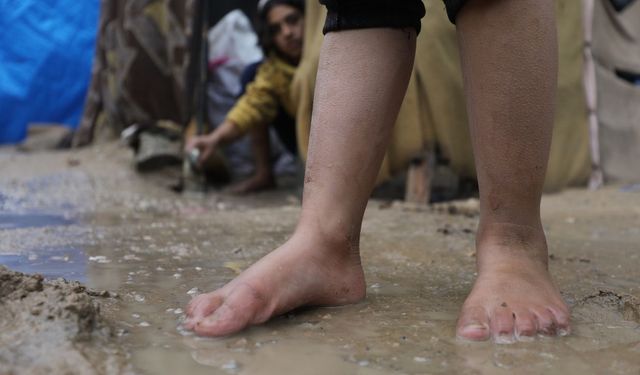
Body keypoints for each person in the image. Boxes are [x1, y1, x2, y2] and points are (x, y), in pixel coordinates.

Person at [184, 0, 571, 343]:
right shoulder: (268, 71)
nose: (287, 32)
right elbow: (252, 106)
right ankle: (324, 239)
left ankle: (512, 240)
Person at [186, 0, 304, 194]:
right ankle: (263, 174)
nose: (287, 33)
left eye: (292, 21)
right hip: (302, 142)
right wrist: (214, 139)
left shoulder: (329, 55)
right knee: (252, 75)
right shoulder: (273, 71)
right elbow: (250, 107)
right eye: (276, 29)